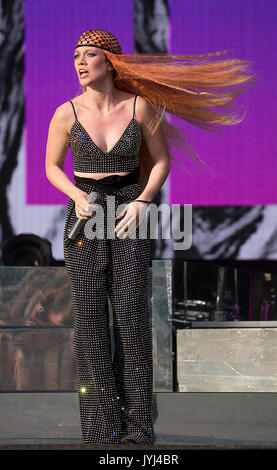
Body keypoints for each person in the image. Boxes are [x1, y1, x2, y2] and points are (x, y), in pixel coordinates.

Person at [45, 30, 255, 446]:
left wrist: (143, 200)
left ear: (111, 62)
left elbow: (160, 162)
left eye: (90, 55)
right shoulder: (65, 113)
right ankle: (102, 426)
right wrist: (75, 195)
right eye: (76, 57)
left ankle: (139, 425)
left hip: (129, 210)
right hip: (86, 214)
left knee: (131, 315)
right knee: (89, 321)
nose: (81, 63)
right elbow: (51, 167)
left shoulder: (142, 107)